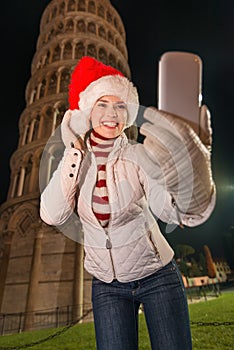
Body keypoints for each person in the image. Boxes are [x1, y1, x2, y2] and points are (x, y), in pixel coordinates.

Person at [40, 56, 216, 350]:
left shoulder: (139, 156)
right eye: (102, 104)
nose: (113, 113)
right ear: (85, 112)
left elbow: (170, 210)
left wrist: (193, 184)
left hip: (157, 276)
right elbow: (52, 214)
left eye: (120, 105)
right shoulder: (74, 163)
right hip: (107, 287)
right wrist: (74, 149)